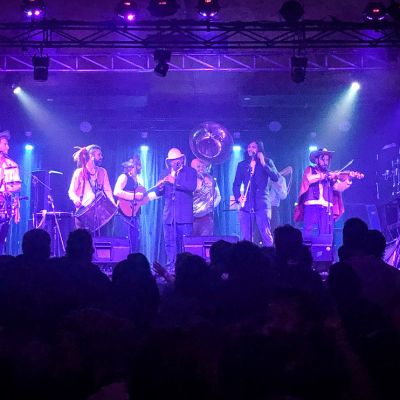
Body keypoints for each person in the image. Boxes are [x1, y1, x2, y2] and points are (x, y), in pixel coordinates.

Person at [294, 148, 355, 241]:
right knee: (308, 232)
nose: (325, 162)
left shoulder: (330, 175)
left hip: (326, 207)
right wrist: (324, 176)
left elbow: (338, 187)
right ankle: (307, 249)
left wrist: (348, 179)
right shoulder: (310, 169)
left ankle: (325, 248)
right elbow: (309, 179)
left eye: (327, 160)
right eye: (323, 159)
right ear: (316, 160)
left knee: (326, 234)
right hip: (312, 206)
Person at [156, 148, 197, 272]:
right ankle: (171, 269)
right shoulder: (164, 173)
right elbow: (159, 193)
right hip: (169, 216)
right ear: (169, 162)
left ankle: (185, 270)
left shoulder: (190, 171)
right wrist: (160, 188)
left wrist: (175, 181)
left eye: (177, 159)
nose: (175, 162)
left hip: (184, 216)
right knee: (169, 243)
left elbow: (192, 187)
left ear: (182, 159)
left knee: (184, 243)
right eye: (172, 160)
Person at [232, 140, 279, 246]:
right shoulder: (242, 165)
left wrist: (263, 163)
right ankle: (248, 255)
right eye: (249, 147)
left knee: (265, 233)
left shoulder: (267, 161)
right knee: (246, 236)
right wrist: (238, 197)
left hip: (262, 203)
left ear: (259, 149)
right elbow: (236, 184)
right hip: (246, 204)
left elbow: (275, 177)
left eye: (253, 147)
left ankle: (270, 254)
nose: (250, 149)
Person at [68, 144, 115, 230]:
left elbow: (107, 190)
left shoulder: (102, 171)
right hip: (83, 213)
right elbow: (71, 191)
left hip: (99, 214)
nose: (101, 157)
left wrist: (112, 204)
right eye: (99, 155)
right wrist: (76, 199)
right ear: (91, 156)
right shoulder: (79, 172)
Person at [113, 155, 144, 253]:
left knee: (135, 242)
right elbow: (116, 191)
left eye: (133, 166)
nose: (131, 168)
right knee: (123, 242)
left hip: (135, 214)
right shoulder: (123, 177)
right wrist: (134, 196)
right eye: (129, 166)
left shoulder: (140, 180)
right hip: (123, 214)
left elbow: (141, 198)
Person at [0, 130, 21, 254]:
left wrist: (8, 189)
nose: (8, 147)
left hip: (4, 206)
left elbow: (17, 186)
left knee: (1, 238)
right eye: (5, 144)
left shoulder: (12, 165)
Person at [191, 158, 221, 236]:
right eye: (198, 166)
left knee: (206, 241)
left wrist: (212, 205)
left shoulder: (211, 180)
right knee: (192, 242)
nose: (201, 168)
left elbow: (218, 196)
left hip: (206, 218)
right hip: (191, 218)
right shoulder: (189, 180)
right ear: (192, 168)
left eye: (202, 166)